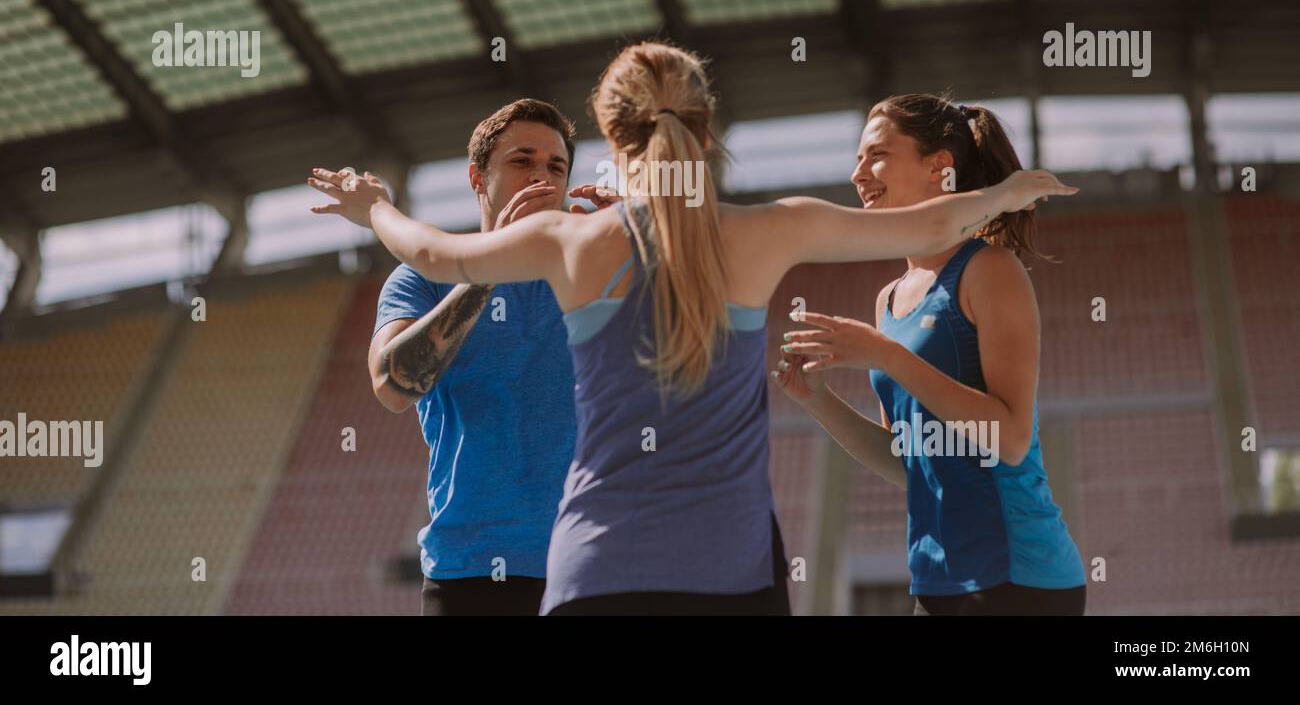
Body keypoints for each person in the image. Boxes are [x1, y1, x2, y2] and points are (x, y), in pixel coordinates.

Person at [310, 44, 1076, 616]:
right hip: (730, 573)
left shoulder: (569, 244)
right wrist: (1007, 188)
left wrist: (371, 204)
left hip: (592, 573)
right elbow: (931, 219)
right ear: (706, 132)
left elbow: (429, 250)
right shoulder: (766, 230)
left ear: (613, 138)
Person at [775, 94, 1087, 615]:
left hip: (1018, 579)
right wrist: (817, 402)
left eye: (876, 155)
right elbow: (910, 463)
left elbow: (1009, 440)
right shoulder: (888, 298)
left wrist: (888, 356)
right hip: (936, 582)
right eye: (856, 159)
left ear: (939, 167)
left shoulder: (990, 271)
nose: (858, 174)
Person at [366, 98, 614, 616]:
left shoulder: (598, 274)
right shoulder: (422, 277)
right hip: (471, 575)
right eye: (522, 161)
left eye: (556, 166)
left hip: (593, 565)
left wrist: (639, 264)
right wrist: (492, 263)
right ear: (478, 178)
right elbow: (394, 385)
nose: (541, 177)